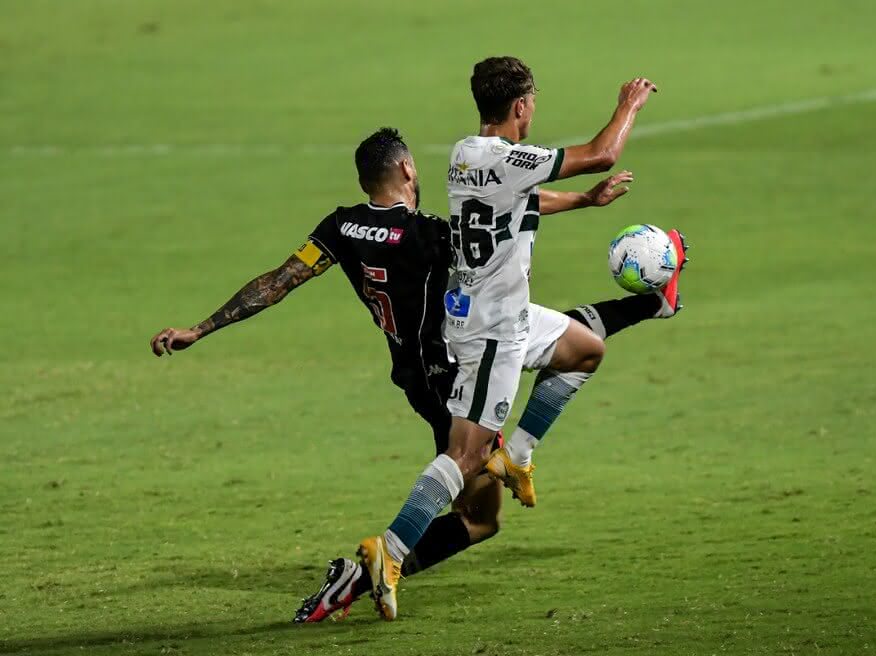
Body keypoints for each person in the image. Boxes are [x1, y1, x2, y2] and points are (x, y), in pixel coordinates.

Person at [148, 127, 686, 622]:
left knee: (562, 348)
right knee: (480, 516)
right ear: (406, 169)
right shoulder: (423, 235)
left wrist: (204, 327)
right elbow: (501, 213)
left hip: (415, 372)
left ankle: (645, 314)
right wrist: (585, 200)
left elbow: (279, 281)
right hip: (455, 368)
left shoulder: (340, 227)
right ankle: (367, 572)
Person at [357, 57, 687, 621]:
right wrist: (629, 104)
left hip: (504, 313)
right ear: (521, 107)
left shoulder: (465, 155)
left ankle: (519, 456)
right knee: (464, 455)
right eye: (532, 102)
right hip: (490, 334)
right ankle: (388, 549)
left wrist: (586, 201)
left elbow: (521, 204)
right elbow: (601, 153)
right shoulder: (510, 159)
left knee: (586, 349)